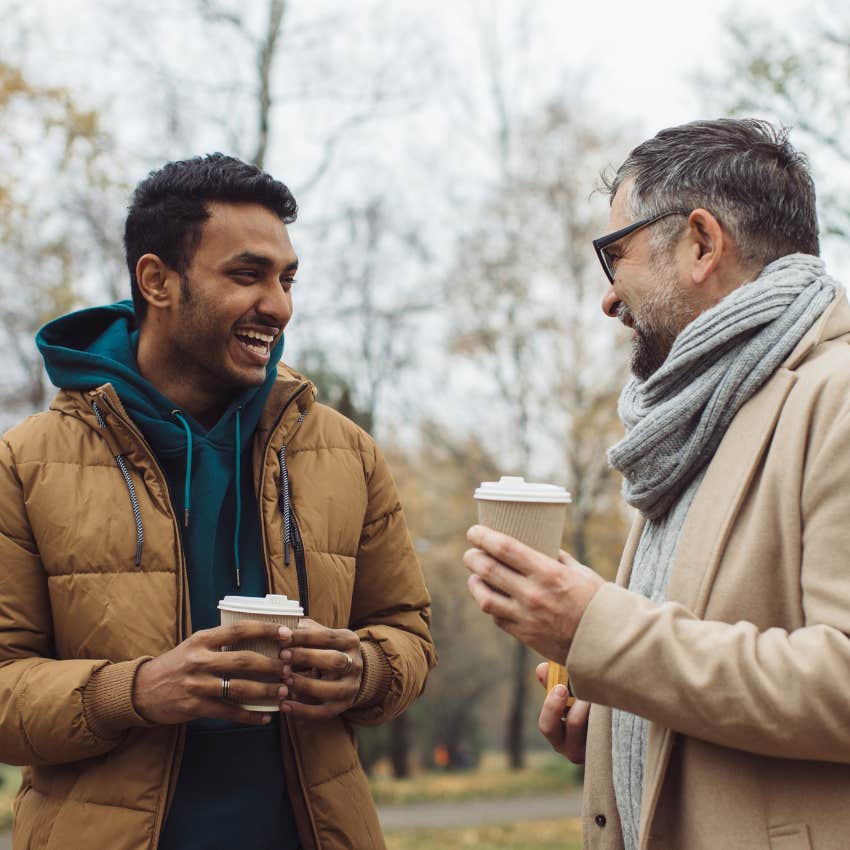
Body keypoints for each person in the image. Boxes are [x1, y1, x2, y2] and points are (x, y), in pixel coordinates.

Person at [0, 153, 436, 850]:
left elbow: (407, 633)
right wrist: (138, 691)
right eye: (247, 274)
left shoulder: (347, 453)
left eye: (287, 279)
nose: (279, 305)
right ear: (157, 280)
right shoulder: (24, 464)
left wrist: (366, 670)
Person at [463, 118, 850, 850]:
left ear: (701, 243)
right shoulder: (693, 417)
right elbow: (691, 658)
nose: (609, 299)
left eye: (616, 256)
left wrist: (596, 629)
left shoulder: (838, 397)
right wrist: (615, 716)